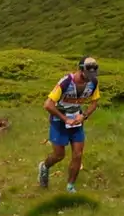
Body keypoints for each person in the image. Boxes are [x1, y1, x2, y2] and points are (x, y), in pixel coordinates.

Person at [38, 56, 99, 193]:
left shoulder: (94, 82)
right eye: (88, 74)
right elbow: (48, 104)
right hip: (59, 121)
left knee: (78, 154)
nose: (90, 77)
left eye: (93, 74)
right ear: (81, 69)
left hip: (77, 122)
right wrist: (65, 119)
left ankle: (70, 186)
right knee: (59, 155)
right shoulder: (66, 82)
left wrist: (83, 116)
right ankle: (45, 167)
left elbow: (94, 103)